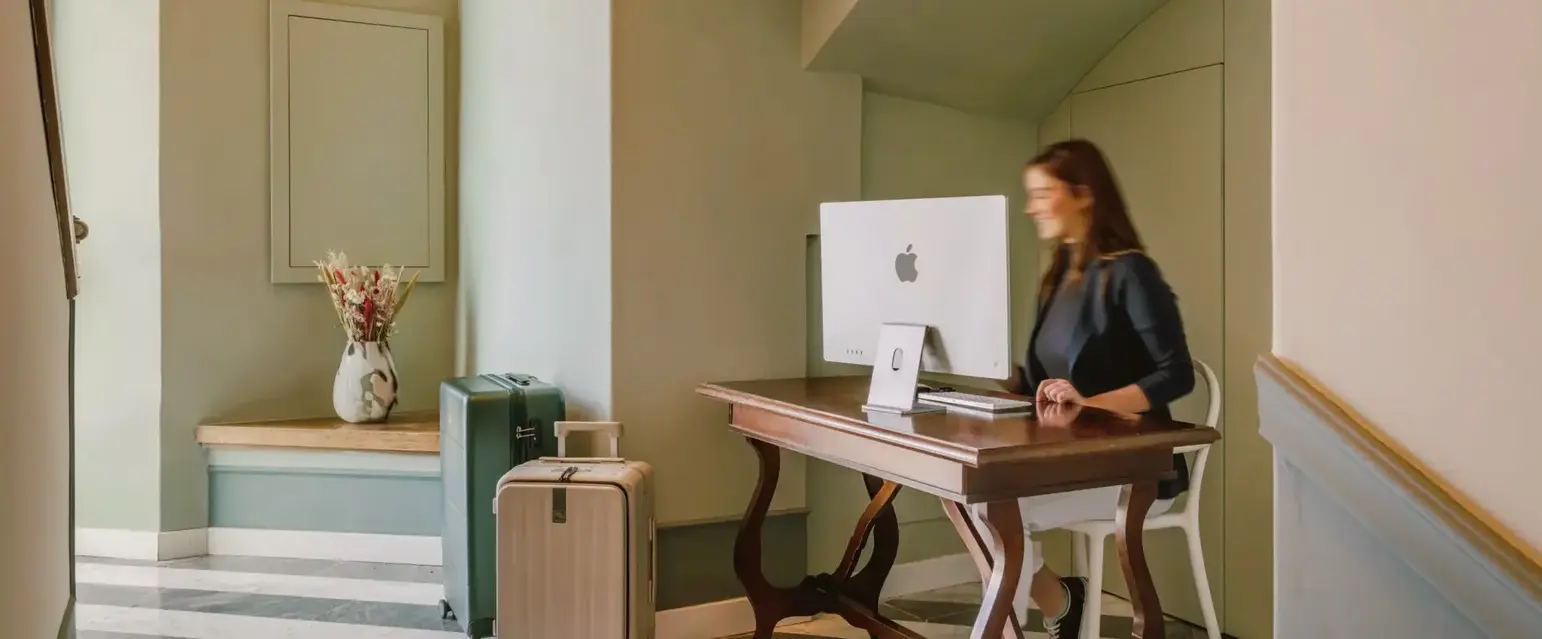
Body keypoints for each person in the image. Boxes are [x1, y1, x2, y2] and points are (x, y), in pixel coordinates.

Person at [977, 139, 1195, 639]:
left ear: (1084, 194)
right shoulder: (1057, 277)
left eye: (1040, 194)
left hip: (1136, 469)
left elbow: (1176, 373)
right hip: (1070, 460)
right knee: (971, 501)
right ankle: (1061, 605)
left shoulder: (1131, 272)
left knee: (991, 510)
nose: (1030, 207)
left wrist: (1089, 403)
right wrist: (981, 370)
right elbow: (1038, 384)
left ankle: (1047, 613)